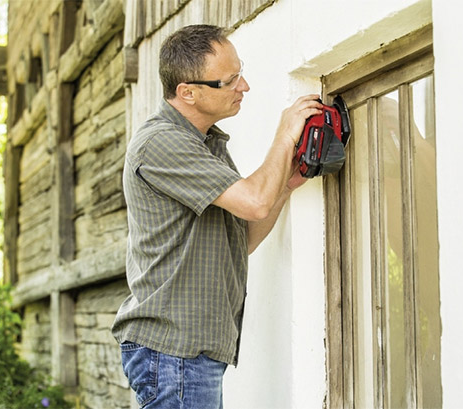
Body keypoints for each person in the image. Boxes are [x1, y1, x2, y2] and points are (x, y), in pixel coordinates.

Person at [111, 24, 322, 409]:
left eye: (241, 73)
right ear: (187, 93)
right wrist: (284, 135)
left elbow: (241, 238)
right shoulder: (162, 142)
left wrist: (285, 187)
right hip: (174, 353)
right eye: (230, 80)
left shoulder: (206, 143)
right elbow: (254, 201)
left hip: (188, 355)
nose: (244, 86)